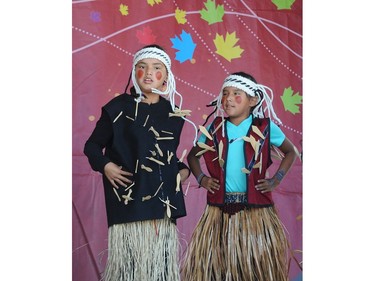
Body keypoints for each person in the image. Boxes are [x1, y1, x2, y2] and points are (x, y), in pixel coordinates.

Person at [84, 44, 194, 281]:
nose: (148, 73)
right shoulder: (117, 107)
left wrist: (183, 171)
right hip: (129, 203)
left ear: (166, 76)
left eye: (156, 68)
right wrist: (106, 165)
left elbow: (164, 156)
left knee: (160, 270)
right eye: (142, 67)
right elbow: (92, 146)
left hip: (162, 208)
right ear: (135, 72)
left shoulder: (172, 113)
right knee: (129, 270)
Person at [180, 71, 298, 281]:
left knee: (253, 267)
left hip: (256, 211)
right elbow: (193, 157)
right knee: (220, 265)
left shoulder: (264, 127)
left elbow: (291, 152)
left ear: (253, 100)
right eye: (225, 93)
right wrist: (201, 179)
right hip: (219, 212)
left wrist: (276, 179)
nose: (227, 99)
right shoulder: (215, 127)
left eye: (236, 93)